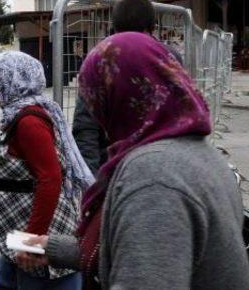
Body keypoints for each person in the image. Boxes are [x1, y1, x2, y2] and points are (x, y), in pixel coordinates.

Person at [21, 32, 249, 289]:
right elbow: (140, 250)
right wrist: (50, 248)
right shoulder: (199, 152)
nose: (98, 117)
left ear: (118, 100)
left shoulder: (153, 176)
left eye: (96, 100)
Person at [0, 51, 94, 290]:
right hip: (18, 232)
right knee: (6, 282)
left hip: (32, 234)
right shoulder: (17, 116)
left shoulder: (28, 122)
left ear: (11, 81)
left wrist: (31, 241)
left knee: (40, 280)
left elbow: (50, 179)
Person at [72, 0, 182, 175]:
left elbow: (86, 125)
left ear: (114, 27)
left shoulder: (99, 59)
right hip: (162, 165)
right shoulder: (169, 57)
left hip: (114, 168)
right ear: (153, 26)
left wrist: (90, 179)